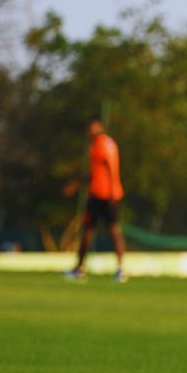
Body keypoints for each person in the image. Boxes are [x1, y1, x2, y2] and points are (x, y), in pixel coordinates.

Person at [64, 117, 127, 283]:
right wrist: (77, 184)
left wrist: (113, 193)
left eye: (90, 129)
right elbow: (95, 173)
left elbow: (112, 168)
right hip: (99, 195)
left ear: (98, 128)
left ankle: (119, 269)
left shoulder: (104, 144)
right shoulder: (100, 145)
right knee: (90, 231)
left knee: (112, 231)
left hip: (105, 196)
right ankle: (80, 268)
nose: (88, 133)